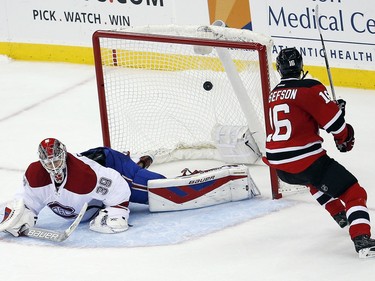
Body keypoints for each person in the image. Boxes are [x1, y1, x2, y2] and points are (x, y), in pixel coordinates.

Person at [263, 47, 375, 257]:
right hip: (305, 161)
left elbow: (302, 121)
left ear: (279, 69)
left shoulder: (274, 94)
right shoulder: (310, 86)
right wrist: (344, 134)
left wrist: (332, 111)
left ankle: (339, 214)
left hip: (280, 167)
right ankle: (362, 240)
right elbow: (336, 126)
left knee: (312, 179)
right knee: (354, 192)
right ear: (301, 66)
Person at [2, 138, 133, 236]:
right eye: (48, 163)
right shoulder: (35, 173)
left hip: (111, 164)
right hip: (84, 203)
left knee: (147, 188)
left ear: (64, 155)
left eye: (57, 161)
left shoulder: (85, 174)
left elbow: (118, 185)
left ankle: (136, 160)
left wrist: (117, 209)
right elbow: (27, 197)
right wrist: (20, 214)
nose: (54, 168)